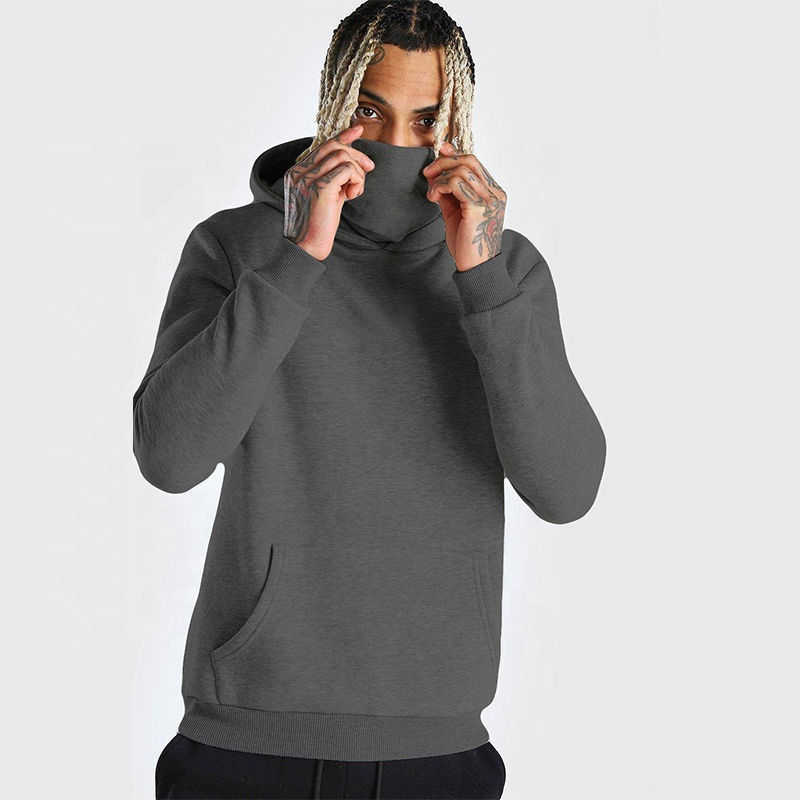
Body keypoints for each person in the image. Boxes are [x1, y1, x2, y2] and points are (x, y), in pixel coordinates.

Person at [134, 1, 607, 797]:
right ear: (332, 103)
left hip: (436, 745)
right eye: (370, 110)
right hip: (246, 740)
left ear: (456, 121)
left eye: (426, 120)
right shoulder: (236, 248)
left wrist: (482, 281)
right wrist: (298, 259)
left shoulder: (506, 268)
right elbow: (169, 458)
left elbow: (567, 491)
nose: (396, 144)